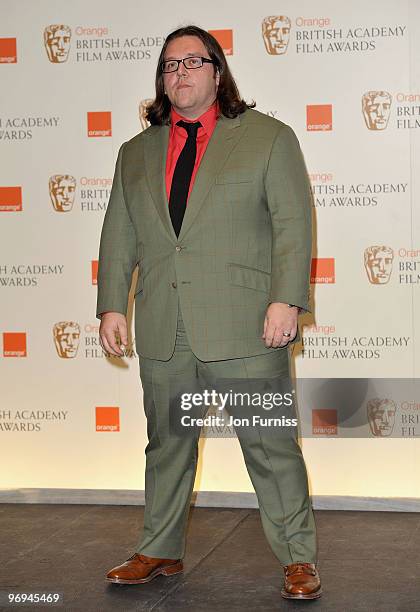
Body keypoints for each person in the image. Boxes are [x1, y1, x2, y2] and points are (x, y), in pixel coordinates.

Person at [96, 25, 322, 601]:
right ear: (161, 78)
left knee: (270, 447)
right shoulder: (135, 153)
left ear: (217, 73)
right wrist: (109, 307)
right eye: (170, 66)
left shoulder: (268, 137)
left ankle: (298, 557)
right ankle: (160, 548)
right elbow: (119, 236)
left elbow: (292, 223)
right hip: (164, 325)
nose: (181, 74)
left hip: (246, 324)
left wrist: (286, 299)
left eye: (193, 63)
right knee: (166, 445)